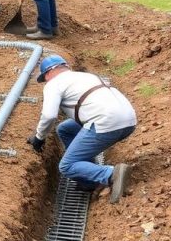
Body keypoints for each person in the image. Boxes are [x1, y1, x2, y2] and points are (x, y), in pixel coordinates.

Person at [26, 55, 137, 203]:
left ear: (48, 72)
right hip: (128, 120)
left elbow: (49, 115)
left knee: (66, 166)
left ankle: (110, 174)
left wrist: (39, 138)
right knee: (65, 129)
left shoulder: (54, 84)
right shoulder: (86, 76)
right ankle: (89, 181)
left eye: (44, 78)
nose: (46, 81)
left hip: (107, 123)